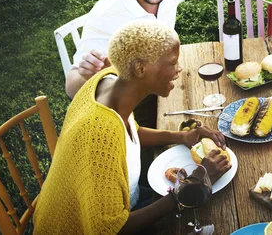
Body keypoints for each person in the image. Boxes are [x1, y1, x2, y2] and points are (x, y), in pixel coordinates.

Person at [34, 20, 231, 234]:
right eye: (173, 63)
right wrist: (191, 187)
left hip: (125, 203)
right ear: (140, 68)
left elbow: (130, 133)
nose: (179, 69)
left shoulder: (112, 83)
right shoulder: (99, 132)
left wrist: (183, 137)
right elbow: (111, 229)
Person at [65, 0, 244, 127]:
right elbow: (71, 87)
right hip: (131, 111)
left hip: (165, 89)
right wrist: (85, 73)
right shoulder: (106, 14)